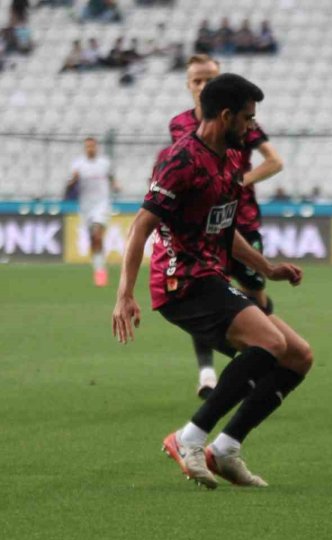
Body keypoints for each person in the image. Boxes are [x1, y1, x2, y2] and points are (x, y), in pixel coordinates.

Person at [112, 73, 313, 490]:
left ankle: (225, 449)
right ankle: (189, 439)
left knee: (298, 356)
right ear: (225, 116)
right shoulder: (181, 160)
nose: (252, 128)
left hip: (211, 276)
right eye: (247, 118)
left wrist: (267, 267)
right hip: (181, 281)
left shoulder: (232, 160)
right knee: (269, 344)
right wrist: (124, 294)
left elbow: (224, 229)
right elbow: (140, 227)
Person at [170, 53, 285, 399]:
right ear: (189, 85)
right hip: (201, 229)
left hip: (241, 221)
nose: (203, 85)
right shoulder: (178, 125)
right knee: (205, 290)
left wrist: (238, 182)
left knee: (255, 295)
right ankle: (207, 374)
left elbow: (275, 162)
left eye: (210, 79)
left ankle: (264, 356)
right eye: (197, 80)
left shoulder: (241, 119)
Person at [66, 137, 120, 287]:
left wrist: (115, 185)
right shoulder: (78, 164)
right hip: (86, 206)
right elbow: (68, 189)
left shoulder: (104, 163)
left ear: (96, 147)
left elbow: (111, 178)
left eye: (92, 146)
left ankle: (100, 272)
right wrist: (73, 180)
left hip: (102, 204)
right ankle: (99, 265)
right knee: (93, 239)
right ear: (85, 148)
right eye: (88, 146)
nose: (90, 149)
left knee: (97, 234)